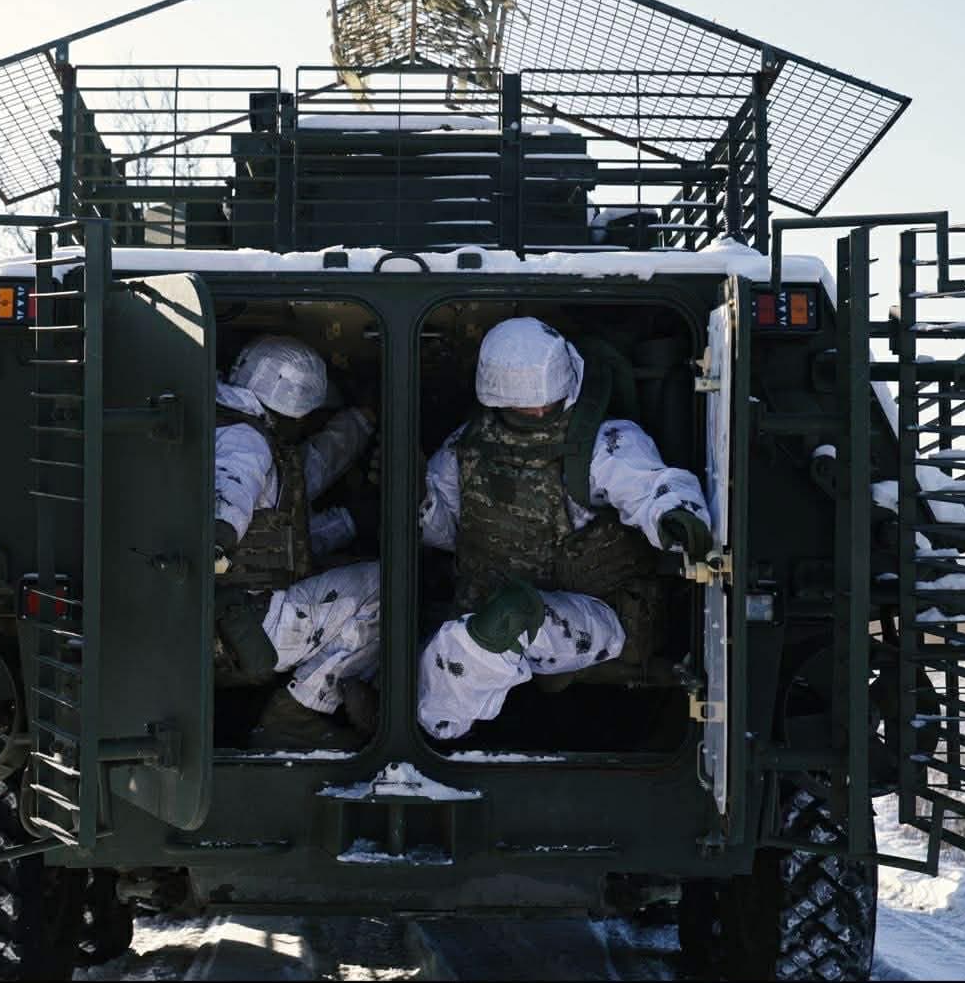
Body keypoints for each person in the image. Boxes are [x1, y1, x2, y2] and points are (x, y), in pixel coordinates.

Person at [417, 316, 713, 740]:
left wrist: (677, 516)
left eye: (548, 400)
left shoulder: (601, 441)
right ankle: (420, 741)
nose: (539, 410)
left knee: (511, 616)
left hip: (599, 615)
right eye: (525, 404)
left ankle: (429, 736)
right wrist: (420, 502)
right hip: (485, 611)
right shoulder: (466, 446)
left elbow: (650, 485)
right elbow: (447, 532)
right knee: (481, 624)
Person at [212, 334, 380, 748]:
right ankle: (297, 718)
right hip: (242, 623)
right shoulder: (244, 442)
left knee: (344, 563)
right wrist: (217, 537)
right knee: (388, 586)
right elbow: (230, 493)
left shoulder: (229, 423)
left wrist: (353, 519)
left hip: (231, 615)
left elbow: (285, 520)